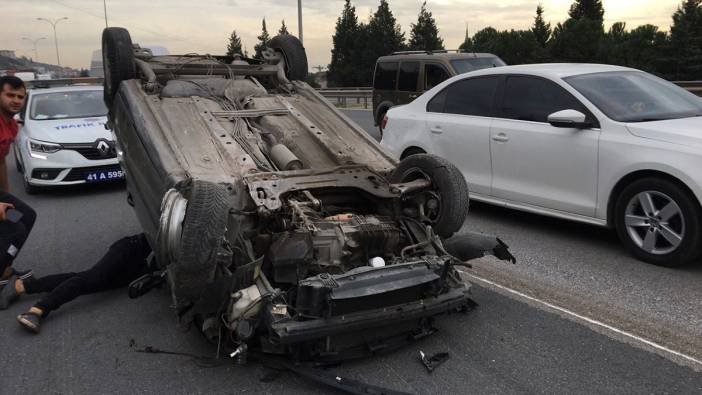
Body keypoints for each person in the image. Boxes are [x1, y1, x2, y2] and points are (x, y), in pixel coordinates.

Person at [0, 234, 154, 333]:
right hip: (133, 248)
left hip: (140, 268)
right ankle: (37, 310)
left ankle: (22, 286)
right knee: (92, 279)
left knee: (87, 280)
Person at [0, 76, 35, 294]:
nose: (15, 100)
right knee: (16, 228)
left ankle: (4, 267)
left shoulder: (11, 124)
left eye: (20, 97)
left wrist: (5, 194)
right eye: (9, 95)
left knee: (26, 215)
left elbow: (1, 160)